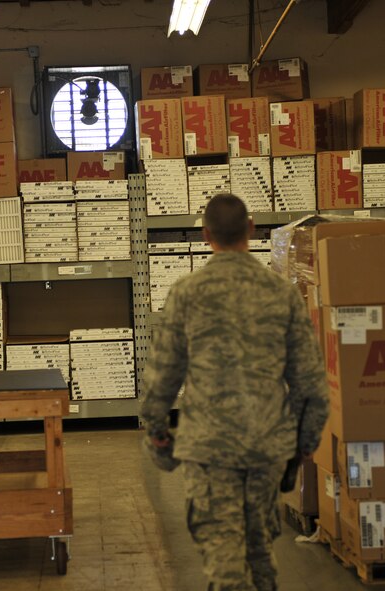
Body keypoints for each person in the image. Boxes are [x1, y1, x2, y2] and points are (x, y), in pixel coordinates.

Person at [140, 193, 328, 591]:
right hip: (266, 447)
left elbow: (162, 376)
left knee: (224, 557)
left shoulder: (187, 293)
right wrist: (302, 444)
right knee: (260, 549)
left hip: (209, 449)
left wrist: (158, 434)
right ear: (251, 229)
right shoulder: (281, 293)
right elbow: (311, 383)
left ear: (206, 234)